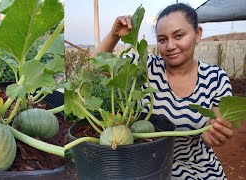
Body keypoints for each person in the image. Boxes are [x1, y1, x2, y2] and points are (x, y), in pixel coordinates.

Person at [95, 3, 234, 179]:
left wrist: (214, 135)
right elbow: (98, 66)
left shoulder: (216, 78)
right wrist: (113, 35)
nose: (170, 46)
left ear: (197, 34)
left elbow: (212, 130)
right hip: (145, 162)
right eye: (162, 39)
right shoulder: (145, 66)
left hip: (195, 166)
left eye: (179, 36)